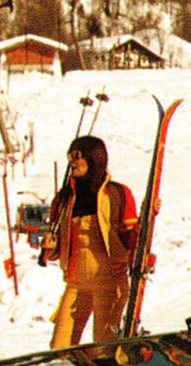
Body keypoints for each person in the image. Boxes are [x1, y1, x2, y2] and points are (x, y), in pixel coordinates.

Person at [42, 135, 138, 351]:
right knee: (60, 349)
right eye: (70, 156)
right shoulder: (65, 198)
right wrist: (50, 248)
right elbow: (58, 248)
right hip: (76, 284)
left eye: (77, 155)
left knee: (104, 349)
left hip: (109, 282)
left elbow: (132, 239)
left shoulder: (116, 194)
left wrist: (147, 220)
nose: (71, 162)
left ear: (94, 158)